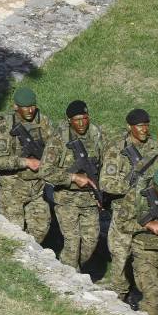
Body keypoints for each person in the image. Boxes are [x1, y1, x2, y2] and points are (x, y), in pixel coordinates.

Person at [101, 108, 158, 301]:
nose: (144, 129)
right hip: (123, 211)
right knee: (120, 256)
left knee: (146, 258)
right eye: (140, 125)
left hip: (151, 210)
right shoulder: (117, 149)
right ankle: (119, 296)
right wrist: (132, 187)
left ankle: (146, 298)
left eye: (146, 125)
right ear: (129, 127)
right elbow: (106, 183)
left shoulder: (155, 148)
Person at [45, 99, 111, 271]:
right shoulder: (59, 138)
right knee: (72, 243)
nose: (81, 123)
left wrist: (101, 193)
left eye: (85, 118)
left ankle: (70, 270)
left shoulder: (97, 135)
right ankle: (68, 277)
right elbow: (45, 171)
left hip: (90, 199)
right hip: (66, 199)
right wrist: (72, 177)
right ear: (69, 120)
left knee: (90, 242)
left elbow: (105, 166)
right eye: (77, 119)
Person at [0, 84, 54, 243]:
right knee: (13, 236)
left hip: (37, 188)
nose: (30, 111)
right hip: (12, 189)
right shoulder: (4, 127)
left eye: (32, 106)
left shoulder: (44, 122)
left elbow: (53, 149)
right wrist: (25, 161)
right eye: (25, 107)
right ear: (15, 106)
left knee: (40, 229)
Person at [120, 164, 158, 315]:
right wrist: (145, 225)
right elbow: (122, 223)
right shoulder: (137, 195)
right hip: (144, 252)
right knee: (152, 298)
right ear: (155, 183)